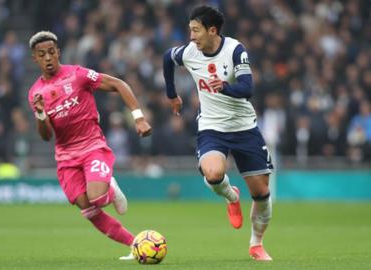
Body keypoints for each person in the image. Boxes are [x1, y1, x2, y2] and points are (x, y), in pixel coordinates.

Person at [27, 31, 152, 259]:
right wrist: (41, 114)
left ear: (58, 53)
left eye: (51, 53)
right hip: (66, 157)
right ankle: (134, 244)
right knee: (88, 208)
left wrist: (139, 117)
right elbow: (46, 136)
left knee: (97, 197)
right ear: (34, 58)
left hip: (92, 146)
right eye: (41, 54)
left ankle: (110, 188)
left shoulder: (77, 75)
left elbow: (117, 84)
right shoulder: (36, 93)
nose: (47, 58)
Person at [162, 5, 274, 261]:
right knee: (213, 173)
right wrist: (172, 94)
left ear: (212, 30)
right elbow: (168, 58)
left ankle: (256, 244)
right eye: (190, 30)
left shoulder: (235, 50)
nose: (191, 37)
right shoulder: (189, 52)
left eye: (196, 31)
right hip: (212, 126)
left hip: (244, 127)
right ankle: (230, 195)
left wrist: (224, 87)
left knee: (261, 194)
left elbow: (247, 88)